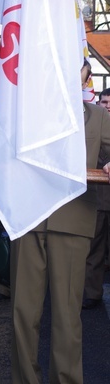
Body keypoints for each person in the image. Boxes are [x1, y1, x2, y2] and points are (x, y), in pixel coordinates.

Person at [10, 60, 110, 384]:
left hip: (72, 220)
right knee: (23, 313)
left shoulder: (98, 116)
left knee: (68, 317)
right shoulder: (26, 111)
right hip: (28, 217)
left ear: (85, 77)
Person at [83, 88, 110, 309]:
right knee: (95, 247)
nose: (107, 105)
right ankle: (92, 293)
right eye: (104, 101)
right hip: (99, 197)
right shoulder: (92, 124)